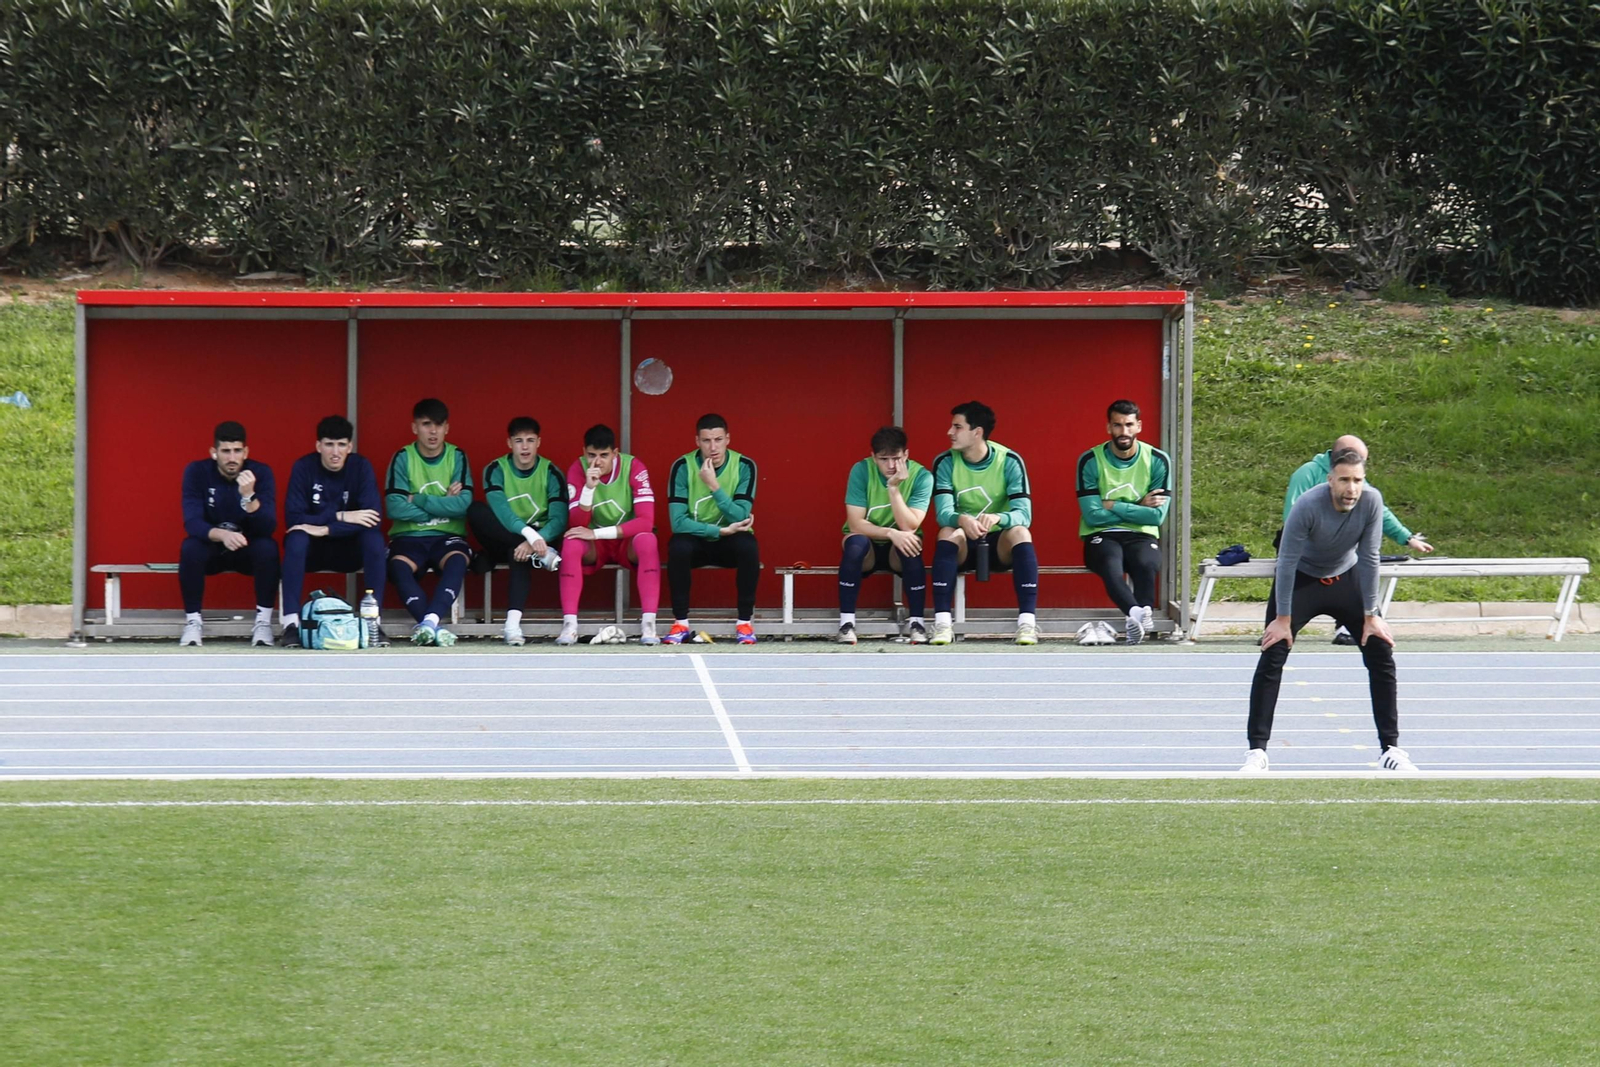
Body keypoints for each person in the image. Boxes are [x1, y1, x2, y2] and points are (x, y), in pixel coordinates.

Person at [1240, 448, 1415, 773]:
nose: (1352, 489)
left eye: (1358, 480)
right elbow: (1287, 561)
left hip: (1345, 576)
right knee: (1273, 650)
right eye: (1345, 480)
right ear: (1331, 480)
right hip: (1302, 578)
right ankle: (1256, 752)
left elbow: (1370, 556)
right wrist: (1282, 620)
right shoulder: (1307, 505)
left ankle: (1391, 748)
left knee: (1380, 648)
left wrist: (1370, 614)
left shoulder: (1372, 502)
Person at [1282, 434, 1434, 645]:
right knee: (1278, 640)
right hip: (1305, 555)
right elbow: (1292, 520)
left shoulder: (1354, 477)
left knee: (1378, 643)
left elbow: (1380, 511)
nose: (1352, 484)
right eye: (1345, 478)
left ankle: (1355, 624)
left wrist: (1406, 537)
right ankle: (1278, 628)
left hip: (1342, 555)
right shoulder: (1306, 474)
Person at [928, 401, 1039, 646]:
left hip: (997, 543)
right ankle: (943, 623)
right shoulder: (945, 462)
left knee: (1021, 532)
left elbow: (1024, 514)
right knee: (947, 531)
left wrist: (1000, 517)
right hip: (963, 543)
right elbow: (943, 512)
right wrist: (961, 519)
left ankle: (1027, 624)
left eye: (957, 427)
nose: (950, 432)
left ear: (977, 432)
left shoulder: (1009, 460)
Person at [280, 415, 388, 647]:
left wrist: (325, 528)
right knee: (295, 538)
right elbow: (294, 519)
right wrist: (339, 516)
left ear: (350, 446)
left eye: (341, 445)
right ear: (319, 446)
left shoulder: (361, 466)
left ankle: (372, 622)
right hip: (313, 551)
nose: (335, 452)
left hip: (348, 550)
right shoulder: (303, 467)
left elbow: (373, 518)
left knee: (374, 540)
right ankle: (291, 624)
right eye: (329, 444)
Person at [1075, 399, 1172, 646]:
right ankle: (1139, 613)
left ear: (1139, 426)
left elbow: (1156, 516)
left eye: (1129, 425)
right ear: (1109, 427)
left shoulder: (1158, 459)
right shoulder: (1090, 460)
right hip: (1101, 533)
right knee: (1110, 564)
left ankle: (1138, 616)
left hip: (1141, 534)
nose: (1124, 432)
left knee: (1145, 562)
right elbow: (1092, 516)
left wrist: (1113, 504)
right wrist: (1139, 505)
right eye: (1117, 425)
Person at [466, 416, 569, 645]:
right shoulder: (495, 469)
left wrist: (535, 539)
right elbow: (500, 511)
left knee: (519, 553)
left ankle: (512, 626)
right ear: (509, 443)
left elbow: (559, 519)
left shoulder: (551, 472)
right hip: (513, 539)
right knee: (475, 510)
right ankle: (524, 549)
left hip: (540, 541)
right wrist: (528, 537)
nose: (525, 446)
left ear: (539, 442)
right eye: (519, 440)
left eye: (530, 440)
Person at [557, 424, 661, 646]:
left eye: (604, 455)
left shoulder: (634, 467)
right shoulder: (577, 468)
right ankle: (569, 625)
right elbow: (576, 523)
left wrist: (596, 533)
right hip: (596, 545)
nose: (597, 462)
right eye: (591, 455)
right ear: (584, 452)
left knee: (648, 540)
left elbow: (646, 521)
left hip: (625, 540)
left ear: (615, 453)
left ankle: (649, 624)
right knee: (571, 542)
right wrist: (588, 488)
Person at [177, 420, 279, 647]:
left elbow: (268, 527)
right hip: (212, 548)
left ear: (246, 452)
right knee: (190, 547)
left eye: (237, 451)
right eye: (225, 451)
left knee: (268, 548)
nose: (232, 458)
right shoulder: (197, 471)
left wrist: (249, 497)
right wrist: (222, 535)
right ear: (214, 452)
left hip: (247, 548)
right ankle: (193, 622)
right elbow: (192, 522)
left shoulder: (260, 473)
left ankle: (263, 623)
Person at [663, 413, 760, 645]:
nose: (713, 447)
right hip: (697, 539)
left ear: (728, 439)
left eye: (718, 440)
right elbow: (677, 522)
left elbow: (741, 515)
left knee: (749, 547)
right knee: (678, 548)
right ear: (697, 441)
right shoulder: (682, 466)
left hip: (731, 541)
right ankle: (680, 624)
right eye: (706, 441)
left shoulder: (745, 465)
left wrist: (713, 485)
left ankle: (744, 623)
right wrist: (719, 531)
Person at [385, 398, 473, 646]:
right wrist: (442, 503)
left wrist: (418, 499)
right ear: (415, 427)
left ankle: (429, 621)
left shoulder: (457, 456)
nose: (433, 431)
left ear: (447, 428)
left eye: (438, 424)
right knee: (397, 566)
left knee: (458, 559)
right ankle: (432, 623)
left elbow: (463, 504)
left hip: (447, 536)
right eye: (426, 424)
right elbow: (393, 506)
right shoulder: (403, 457)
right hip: (409, 536)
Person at [836, 426, 933, 644]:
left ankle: (917, 623)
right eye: (883, 459)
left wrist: (894, 488)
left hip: (898, 549)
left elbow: (910, 525)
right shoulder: (861, 470)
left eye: (896, 458)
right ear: (873, 457)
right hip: (867, 544)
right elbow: (855, 523)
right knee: (855, 544)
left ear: (906, 455)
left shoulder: (922, 476)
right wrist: (891, 533)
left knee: (911, 543)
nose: (890, 465)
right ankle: (846, 624)